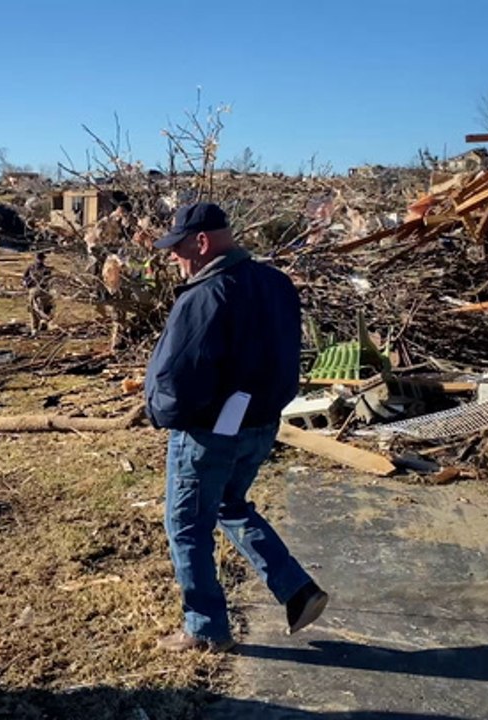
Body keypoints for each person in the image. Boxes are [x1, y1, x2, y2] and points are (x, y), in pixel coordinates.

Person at [144, 202, 328, 653]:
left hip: (208, 432)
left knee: (186, 524)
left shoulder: (205, 295)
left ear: (202, 242)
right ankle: (297, 590)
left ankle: (205, 628)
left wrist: (160, 412)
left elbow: (178, 375)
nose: (174, 257)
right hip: (260, 425)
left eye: (179, 247)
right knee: (229, 503)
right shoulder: (276, 283)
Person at [22, 252, 54, 336]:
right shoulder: (46, 269)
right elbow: (49, 281)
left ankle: (35, 328)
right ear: (43, 259)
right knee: (48, 307)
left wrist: (27, 285)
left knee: (33, 310)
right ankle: (44, 321)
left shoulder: (30, 268)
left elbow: (24, 280)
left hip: (33, 290)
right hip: (45, 291)